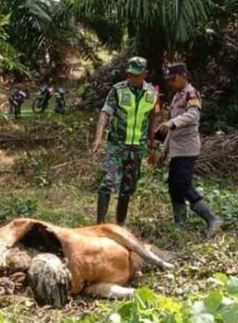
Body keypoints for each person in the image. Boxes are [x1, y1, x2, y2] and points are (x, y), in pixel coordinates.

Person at [156, 63, 223, 238]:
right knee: (173, 186)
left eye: (173, 78)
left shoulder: (192, 94)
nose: (171, 83)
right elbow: (172, 129)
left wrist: (171, 122)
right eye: (169, 80)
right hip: (176, 148)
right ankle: (180, 223)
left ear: (183, 75)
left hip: (188, 147)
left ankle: (212, 218)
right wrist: (165, 150)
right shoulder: (177, 96)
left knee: (183, 185)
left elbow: (193, 115)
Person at [92, 57, 158, 226]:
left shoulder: (151, 93)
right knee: (108, 182)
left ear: (145, 74)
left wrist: (152, 144)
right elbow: (105, 112)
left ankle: (120, 224)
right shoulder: (118, 90)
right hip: (117, 145)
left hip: (137, 147)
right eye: (129, 74)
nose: (132, 78)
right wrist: (98, 138)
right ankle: (99, 224)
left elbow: (152, 118)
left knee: (128, 187)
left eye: (136, 75)